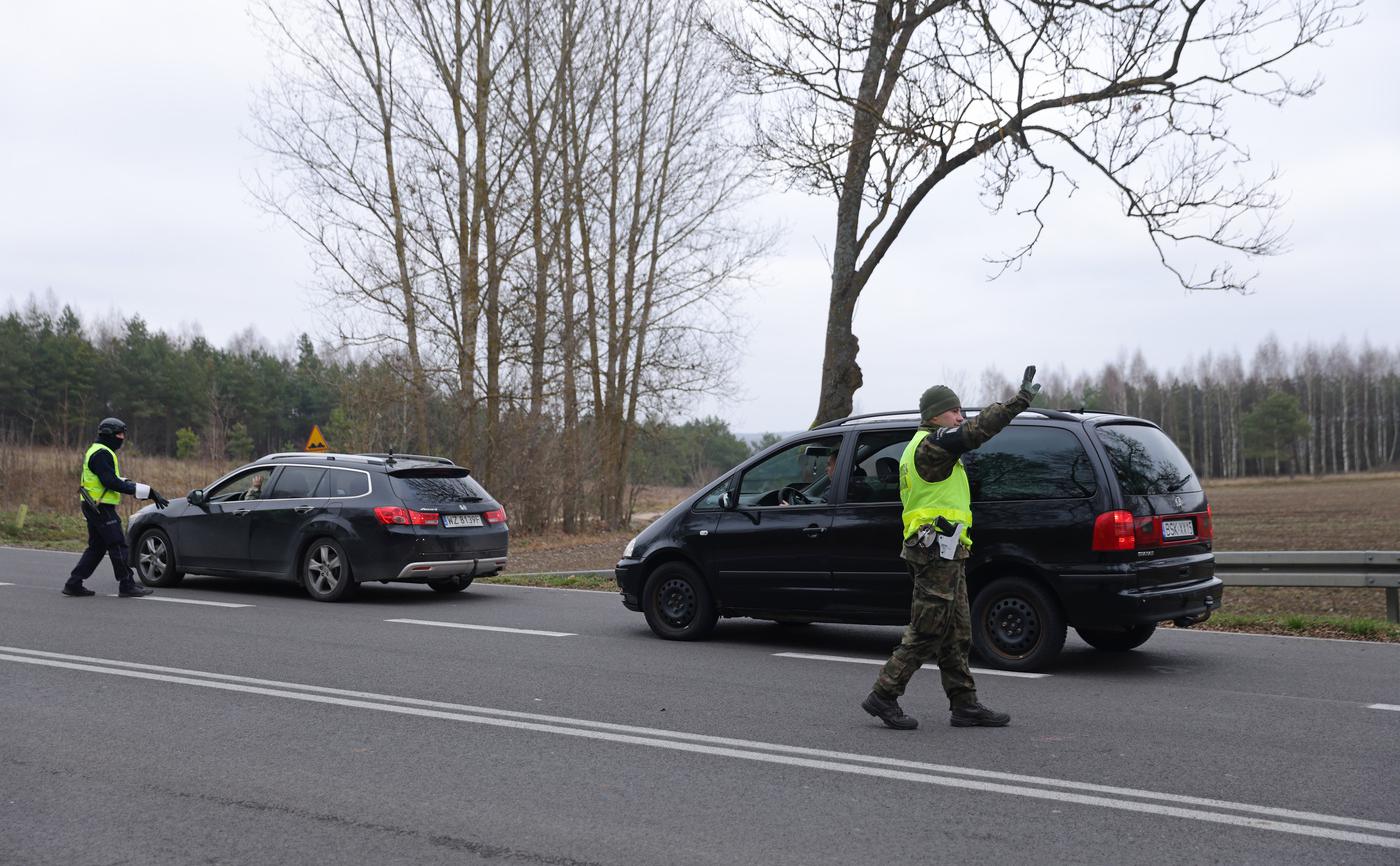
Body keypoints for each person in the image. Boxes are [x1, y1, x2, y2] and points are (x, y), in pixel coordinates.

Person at [861, 366, 1041, 730]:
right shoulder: (933, 445)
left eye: (961, 410)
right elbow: (975, 431)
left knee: (957, 632)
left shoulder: (932, 448)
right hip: (933, 552)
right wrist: (1017, 403)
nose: (961, 416)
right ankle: (883, 694)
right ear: (934, 415)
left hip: (946, 550)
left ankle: (965, 704)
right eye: (954, 410)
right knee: (927, 629)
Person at [63, 417, 170, 598]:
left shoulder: (98, 450)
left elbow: (109, 479)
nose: (122, 438)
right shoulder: (102, 453)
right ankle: (127, 584)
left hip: (94, 505)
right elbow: (110, 481)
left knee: (97, 547)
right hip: (100, 507)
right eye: (119, 434)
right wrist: (145, 491)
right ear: (108, 435)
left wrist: (145, 490)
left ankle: (73, 583)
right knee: (118, 544)